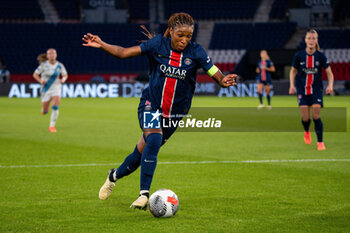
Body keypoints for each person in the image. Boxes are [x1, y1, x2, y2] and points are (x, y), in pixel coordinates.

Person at [82, 12, 237, 210]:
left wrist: (224, 81)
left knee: (140, 154)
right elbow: (122, 53)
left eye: (189, 36)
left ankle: (113, 176)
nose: (184, 40)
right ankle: (144, 195)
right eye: (180, 35)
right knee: (154, 139)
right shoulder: (157, 45)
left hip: (174, 114)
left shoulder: (197, 52)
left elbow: (217, 74)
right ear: (171, 31)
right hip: (151, 103)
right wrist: (102, 44)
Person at [289, 29, 334, 151]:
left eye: (313, 38)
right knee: (305, 118)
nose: (311, 40)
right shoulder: (299, 55)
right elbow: (293, 71)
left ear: (316, 40)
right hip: (302, 90)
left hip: (316, 89)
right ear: (305, 40)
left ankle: (320, 142)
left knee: (315, 114)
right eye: (309, 38)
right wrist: (292, 85)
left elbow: (330, 73)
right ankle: (306, 130)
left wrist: (330, 85)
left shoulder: (321, 56)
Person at [33, 48, 68, 132]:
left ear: (56, 55)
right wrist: (40, 80)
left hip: (56, 87)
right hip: (45, 89)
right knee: (45, 111)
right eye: (50, 53)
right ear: (47, 56)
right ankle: (44, 109)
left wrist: (63, 80)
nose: (52, 55)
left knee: (55, 106)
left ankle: (52, 126)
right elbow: (35, 74)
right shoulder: (43, 65)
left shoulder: (60, 65)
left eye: (53, 53)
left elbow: (65, 75)